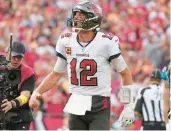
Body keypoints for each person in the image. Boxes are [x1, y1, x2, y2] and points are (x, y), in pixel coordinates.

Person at [29, 1, 135, 130]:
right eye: (76, 14)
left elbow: (125, 73)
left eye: (82, 14)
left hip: (99, 103)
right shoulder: (66, 41)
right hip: (76, 102)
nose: (76, 17)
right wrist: (37, 92)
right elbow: (56, 74)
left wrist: (128, 106)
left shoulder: (106, 43)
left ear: (94, 19)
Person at [1, 42, 36, 130]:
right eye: (14, 57)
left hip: (20, 116)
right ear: (7, 54)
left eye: (19, 57)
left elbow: (25, 96)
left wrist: (11, 104)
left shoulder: (28, 72)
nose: (16, 60)